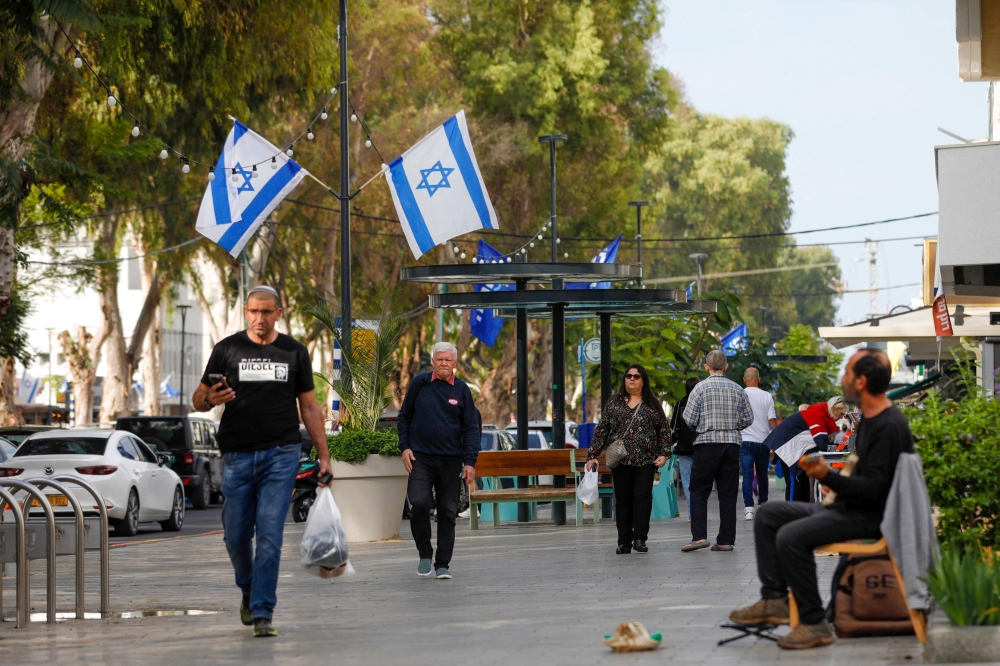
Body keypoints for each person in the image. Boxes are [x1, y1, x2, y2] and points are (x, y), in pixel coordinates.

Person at [729, 349, 913, 650]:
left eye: (847, 373)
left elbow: (873, 490)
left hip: (867, 519)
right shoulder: (871, 419)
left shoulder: (887, 425)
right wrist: (835, 481)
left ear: (862, 381)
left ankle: (814, 623)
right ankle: (775, 599)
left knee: (790, 536)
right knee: (768, 514)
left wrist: (827, 477)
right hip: (852, 508)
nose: (843, 379)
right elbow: (868, 479)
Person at [192, 285, 333, 638]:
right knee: (236, 536)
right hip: (238, 455)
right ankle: (248, 590)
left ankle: (262, 612)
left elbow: (310, 407)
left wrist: (324, 455)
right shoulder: (227, 349)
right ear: (245, 311)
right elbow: (198, 399)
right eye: (254, 311)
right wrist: (211, 397)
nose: (260, 318)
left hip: (281, 454)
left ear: (278, 314)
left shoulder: (294, 352)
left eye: (267, 311)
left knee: (270, 534)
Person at [397, 342, 479, 580]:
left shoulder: (462, 390)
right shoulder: (419, 384)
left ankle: (442, 563)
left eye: (448, 360)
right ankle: (424, 553)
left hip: (451, 460)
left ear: (455, 363)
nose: (444, 363)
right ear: (433, 361)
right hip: (420, 458)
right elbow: (404, 418)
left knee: (446, 511)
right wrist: (405, 448)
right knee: (420, 504)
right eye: (439, 359)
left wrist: (470, 462)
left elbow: (471, 429)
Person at [586, 364, 670, 554]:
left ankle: (640, 538)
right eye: (629, 376)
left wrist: (663, 453)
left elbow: (664, 430)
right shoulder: (614, 403)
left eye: (637, 376)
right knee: (623, 501)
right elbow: (602, 430)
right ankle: (623, 541)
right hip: (621, 461)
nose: (632, 379)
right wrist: (593, 455)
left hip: (645, 460)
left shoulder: (652, 404)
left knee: (642, 499)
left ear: (643, 380)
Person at [681, 350, 753, 553]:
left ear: (706, 367)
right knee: (728, 494)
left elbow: (689, 419)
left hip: (706, 444)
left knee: (698, 490)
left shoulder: (699, 389)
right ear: (726, 366)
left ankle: (699, 536)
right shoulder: (738, 389)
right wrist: (733, 425)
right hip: (731, 445)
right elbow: (748, 419)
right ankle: (725, 541)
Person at [764, 396, 847, 502]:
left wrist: (842, 445)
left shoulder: (825, 413)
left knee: (803, 485)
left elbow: (834, 434)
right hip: (787, 446)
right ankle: (791, 514)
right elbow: (823, 444)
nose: (841, 417)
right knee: (795, 485)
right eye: (841, 414)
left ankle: (801, 513)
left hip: (795, 448)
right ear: (835, 409)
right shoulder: (817, 414)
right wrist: (842, 448)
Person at [740, 368, 778, 520]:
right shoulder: (767, 396)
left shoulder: (740, 394)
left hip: (745, 441)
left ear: (744, 379)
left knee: (747, 476)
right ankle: (762, 505)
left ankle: (749, 509)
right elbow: (772, 420)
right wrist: (778, 437)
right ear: (759, 379)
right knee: (763, 476)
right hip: (763, 441)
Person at [669, 377, 700, 521]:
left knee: (687, 482)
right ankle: (700, 512)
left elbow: (674, 427)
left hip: (684, 449)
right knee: (700, 482)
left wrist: (671, 442)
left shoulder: (681, 403)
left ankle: (692, 513)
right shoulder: (703, 402)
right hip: (702, 448)